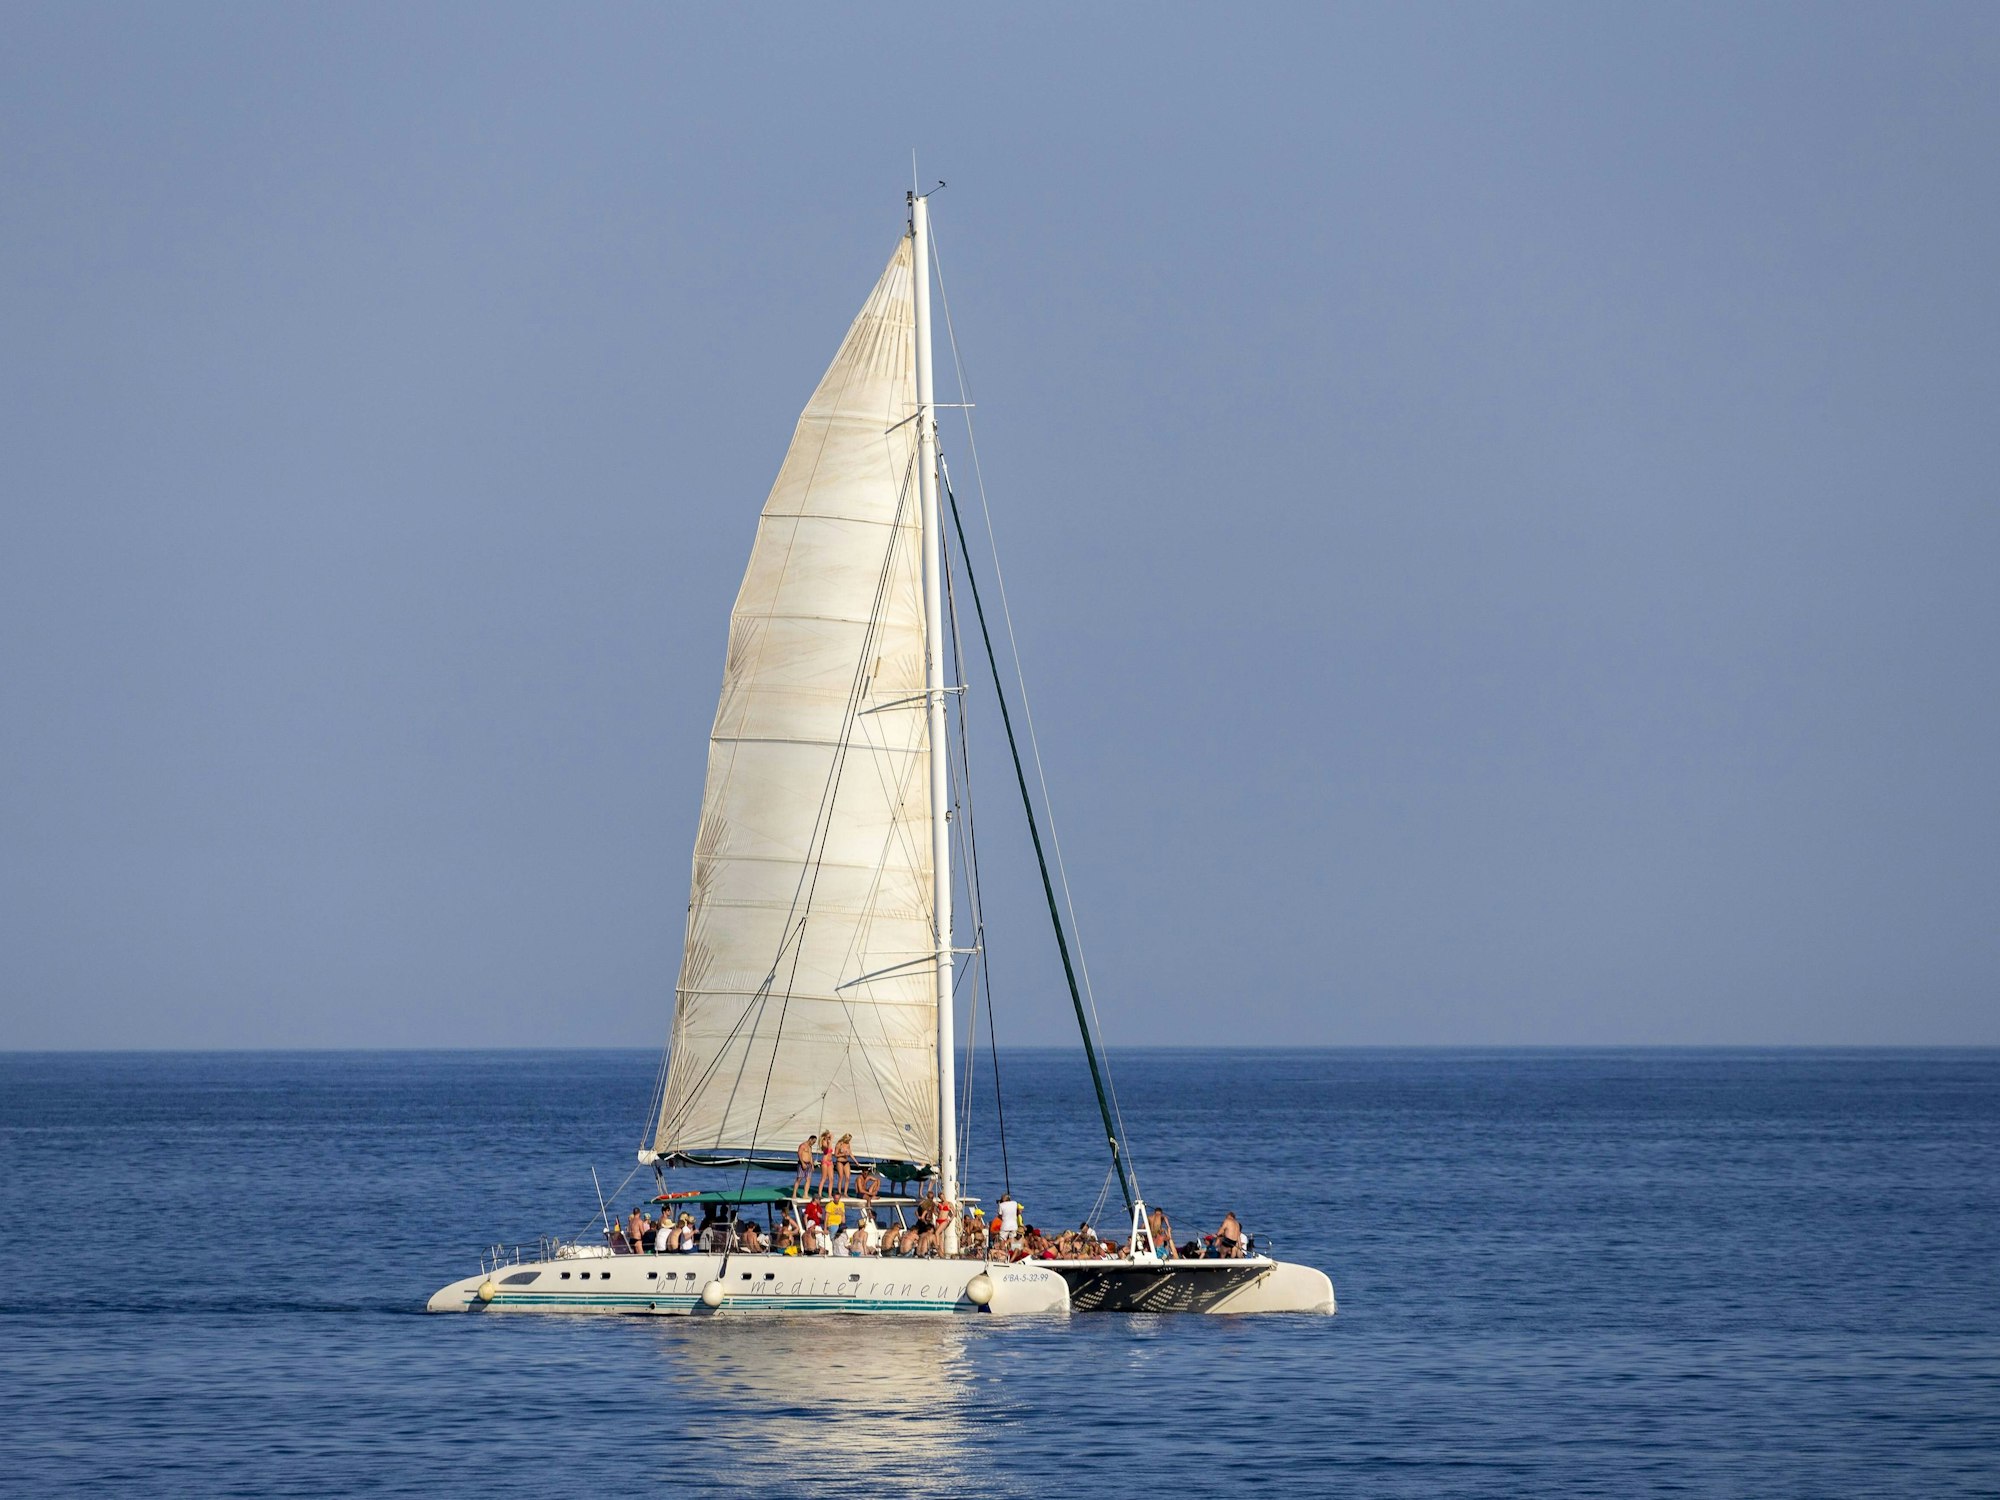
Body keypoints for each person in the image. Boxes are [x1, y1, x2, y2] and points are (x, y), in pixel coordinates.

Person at [814, 1131, 836, 1197]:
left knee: (831, 1178)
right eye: (828, 1136)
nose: (829, 1137)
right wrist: (830, 1140)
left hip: (830, 1162)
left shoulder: (829, 1142)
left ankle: (829, 1194)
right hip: (825, 1161)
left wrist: (830, 1141)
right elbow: (827, 1149)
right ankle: (819, 1194)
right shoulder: (823, 1142)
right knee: (824, 1178)